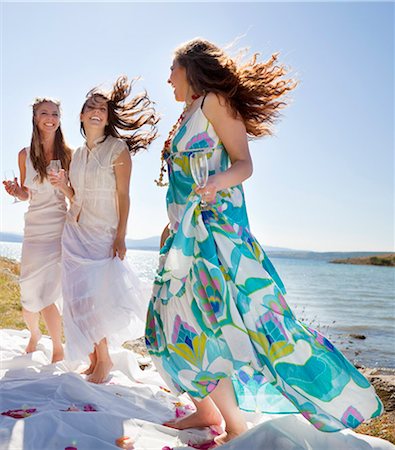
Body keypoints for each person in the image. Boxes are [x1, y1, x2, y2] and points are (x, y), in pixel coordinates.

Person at [145, 38, 383, 444]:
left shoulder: (215, 102)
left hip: (216, 233)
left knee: (227, 323)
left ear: (190, 68)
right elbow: (182, 180)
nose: (167, 78)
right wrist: (170, 223)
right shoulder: (186, 113)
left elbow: (244, 163)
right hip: (183, 233)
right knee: (172, 325)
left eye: (172, 69)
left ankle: (241, 422)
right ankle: (210, 414)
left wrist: (218, 181)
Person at [50, 76, 158, 384]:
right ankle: (94, 358)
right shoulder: (77, 154)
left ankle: (105, 360)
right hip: (74, 231)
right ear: (82, 115)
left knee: (95, 297)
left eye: (102, 109)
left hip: (102, 232)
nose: (97, 112)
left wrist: (121, 235)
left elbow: (124, 196)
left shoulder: (117, 149)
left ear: (107, 118)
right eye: (91, 107)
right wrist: (64, 186)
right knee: (77, 298)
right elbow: (77, 197)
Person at [3, 97, 72, 363]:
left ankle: (58, 348)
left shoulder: (68, 153)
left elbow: (75, 194)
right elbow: (26, 193)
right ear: (35, 117)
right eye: (44, 113)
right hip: (33, 228)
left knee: (46, 294)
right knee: (28, 291)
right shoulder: (24, 154)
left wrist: (64, 184)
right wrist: (15, 191)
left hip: (57, 228)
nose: (50, 118)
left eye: (55, 113)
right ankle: (33, 334)